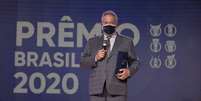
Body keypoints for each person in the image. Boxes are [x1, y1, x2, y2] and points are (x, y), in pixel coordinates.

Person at [80, 10, 139, 101]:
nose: (108, 25)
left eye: (111, 23)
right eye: (106, 23)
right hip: (97, 91)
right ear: (101, 24)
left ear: (117, 24)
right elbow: (83, 62)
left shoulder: (126, 42)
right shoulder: (92, 42)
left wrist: (129, 71)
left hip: (118, 90)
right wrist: (95, 58)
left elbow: (135, 62)